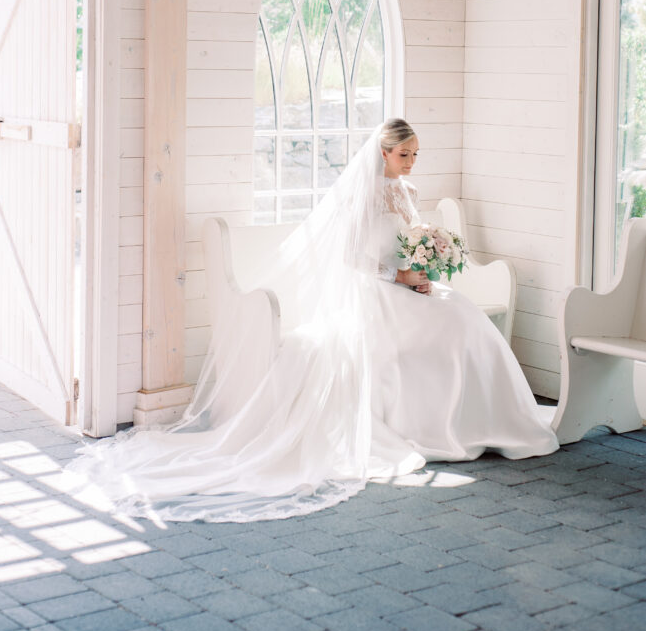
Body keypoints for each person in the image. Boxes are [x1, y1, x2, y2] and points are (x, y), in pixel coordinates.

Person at [68, 118, 557, 522]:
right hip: (376, 292)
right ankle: (445, 426)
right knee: (445, 330)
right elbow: (352, 258)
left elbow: (413, 242)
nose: (411, 162)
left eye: (415, 155)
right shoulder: (363, 196)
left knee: (463, 317)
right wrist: (399, 277)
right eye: (404, 155)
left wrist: (424, 271)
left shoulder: (408, 191)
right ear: (384, 153)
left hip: (409, 285)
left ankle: (492, 419)